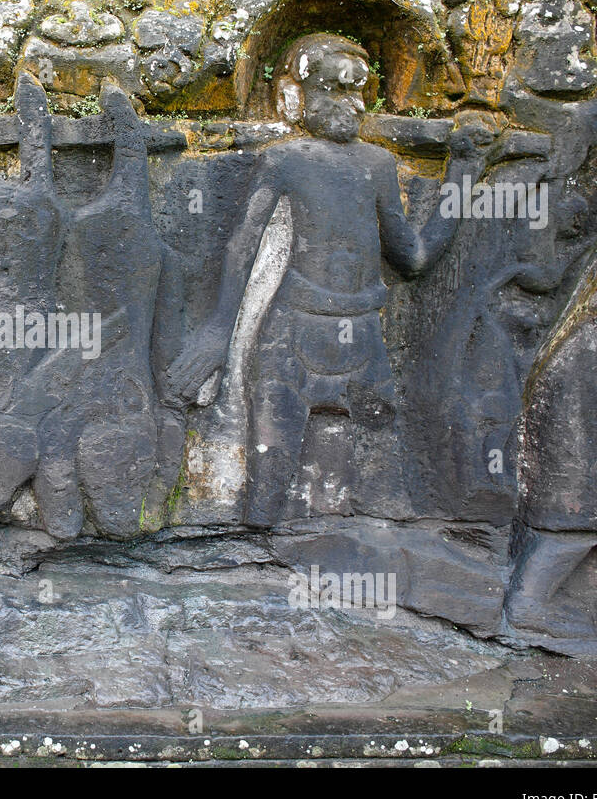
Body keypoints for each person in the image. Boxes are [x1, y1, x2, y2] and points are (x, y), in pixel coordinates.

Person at [164, 33, 495, 527]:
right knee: (266, 494)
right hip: (291, 336)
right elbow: (243, 246)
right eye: (337, 90)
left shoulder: (377, 164)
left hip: (363, 338)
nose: (355, 106)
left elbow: (415, 258)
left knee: (386, 498)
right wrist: (218, 330)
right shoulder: (286, 161)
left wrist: (463, 174)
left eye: (360, 92)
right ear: (296, 96)